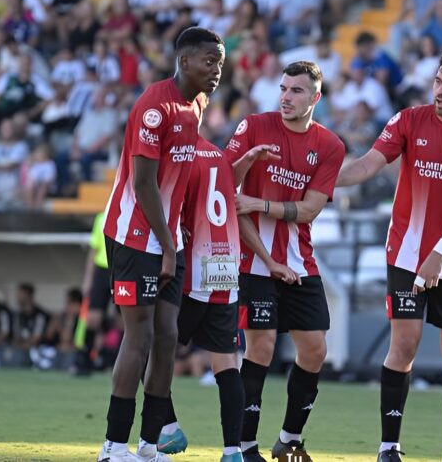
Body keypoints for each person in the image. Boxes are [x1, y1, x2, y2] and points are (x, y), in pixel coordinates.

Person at [336, 50, 442, 462]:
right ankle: (388, 446)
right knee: (405, 343)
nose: (441, 91)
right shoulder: (409, 120)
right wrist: (314, 183)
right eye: (438, 81)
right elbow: (367, 165)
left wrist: (440, 254)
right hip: (407, 254)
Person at [97, 27, 225, 462]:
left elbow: (183, 175)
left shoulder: (198, 104)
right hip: (136, 236)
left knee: (168, 337)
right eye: (210, 62)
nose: (217, 71)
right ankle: (113, 447)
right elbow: (144, 182)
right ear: (184, 61)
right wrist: (169, 247)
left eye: (221, 64)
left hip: (170, 238)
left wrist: (178, 236)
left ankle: (149, 446)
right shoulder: (155, 107)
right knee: (140, 337)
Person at [223, 61, 345, 461]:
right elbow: (227, 192)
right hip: (253, 261)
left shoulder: (330, 146)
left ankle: (289, 438)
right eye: (283, 88)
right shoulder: (254, 126)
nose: (286, 97)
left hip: (299, 262)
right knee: (261, 347)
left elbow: (309, 211)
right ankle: (243, 446)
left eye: (296, 91)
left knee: (314, 350)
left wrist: (262, 203)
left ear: (316, 98)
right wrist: (266, 258)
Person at [161, 136, 277, 462]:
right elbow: (224, 187)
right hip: (225, 266)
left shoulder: (178, 153)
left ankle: (167, 427)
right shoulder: (217, 154)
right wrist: (248, 161)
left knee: (151, 347)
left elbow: (173, 202)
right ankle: (232, 452)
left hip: (193, 269)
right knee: (226, 361)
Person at [76, 210, 111, 376]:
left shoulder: (129, 212)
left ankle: (119, 361)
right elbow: (93, 250)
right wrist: (88, 279)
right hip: (102, 271)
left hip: (123, 269)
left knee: (126, 320)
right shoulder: (101, 217)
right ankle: (84, 360)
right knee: (93, 318)